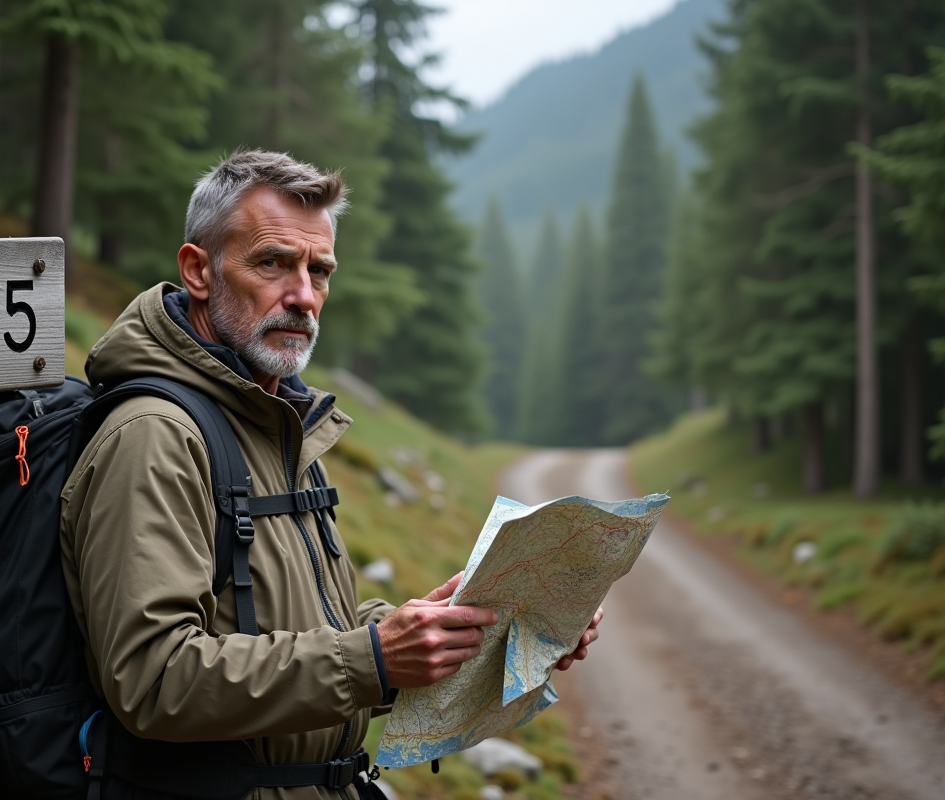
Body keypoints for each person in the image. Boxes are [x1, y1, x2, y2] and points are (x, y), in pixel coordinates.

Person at [60, 150, 602, 799]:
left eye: (319, 270)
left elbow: (307, 624)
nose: (304, 297)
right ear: (198, 270)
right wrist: (373, 659)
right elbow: (152, 679)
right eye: (273, 263)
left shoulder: (275, 421)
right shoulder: (154, 435)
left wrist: (471, 629)